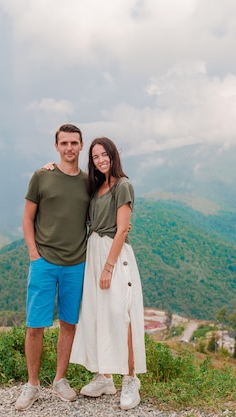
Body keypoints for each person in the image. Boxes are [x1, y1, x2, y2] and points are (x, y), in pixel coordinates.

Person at [15, 123, 90, 411]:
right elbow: (27, 218)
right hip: (44, 262)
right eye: (64, 143)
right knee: (35, 326)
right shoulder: (40, 177)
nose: (69, 148)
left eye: (74, 143)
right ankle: (32, 385)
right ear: (56, 147)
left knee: (68, 324)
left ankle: (60, 379)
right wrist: (34, 253)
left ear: (81, 146)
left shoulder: (88, 182)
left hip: (76, 263)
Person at [70, 137, 147, 410]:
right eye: (95, 156)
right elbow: (69, 178)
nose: (100, 160)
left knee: (120, 314)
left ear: (113, 155)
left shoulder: (123, 186)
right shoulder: (97, 186)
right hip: (93, 250)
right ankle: (104, 376)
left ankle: (130, 378)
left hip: (113, 254)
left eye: (104, 154)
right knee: (95, 313)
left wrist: (108, 266)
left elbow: (123, 229)